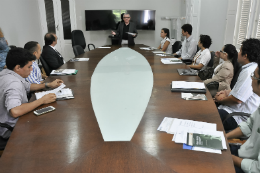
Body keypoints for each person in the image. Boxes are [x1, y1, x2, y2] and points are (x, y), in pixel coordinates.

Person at [0, 48, 63, 139]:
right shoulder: (13, 84)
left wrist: (48, 85)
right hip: (10, 128)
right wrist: (42, 100)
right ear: (18, 67)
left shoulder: (6, 72)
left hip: (5, 121)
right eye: (29, 66)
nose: (31, 69)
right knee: (51, 127)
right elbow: (15, 111)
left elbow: (27, 86)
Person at [214, 38, 260, 131]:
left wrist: (220, 100)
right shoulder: (250, 68)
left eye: (240, 51)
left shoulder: (249, 72)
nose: (238, 53)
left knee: (205, 115)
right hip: (232, 110)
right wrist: (227, 92)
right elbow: (242, 92)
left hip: (236, 117)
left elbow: (237, 100)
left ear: (245, 56)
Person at [226, 65, 260, 173]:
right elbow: (249, 125)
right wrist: (224, 137)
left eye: (253, 76)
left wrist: (228, 158)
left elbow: (256, 168)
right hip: (246, 153)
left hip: (250, 166)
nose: (251, 79)